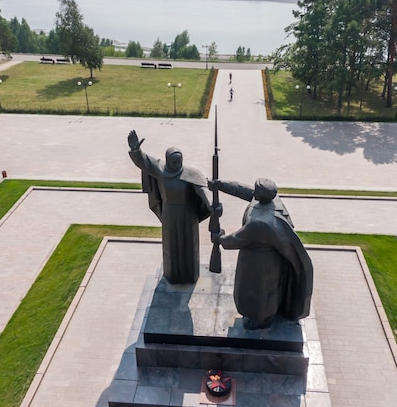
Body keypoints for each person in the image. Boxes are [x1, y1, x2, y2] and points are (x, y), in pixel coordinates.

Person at [211, 178, 313, 329]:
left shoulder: (260, 223)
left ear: (260, 194)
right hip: (268, 260)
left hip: (258, 264)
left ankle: (260, 320)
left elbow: (235, 240)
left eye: (256, 190)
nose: (253, 192)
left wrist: (219, 237)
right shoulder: (273, 202)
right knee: (266, 291)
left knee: (257, 292)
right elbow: (243, 190)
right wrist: (221, 185)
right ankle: (262, 316)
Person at [128, 130, 211, 284]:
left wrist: (210, 204)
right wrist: (135, 150)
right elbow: (144, 162)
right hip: (169, 216)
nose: (178, 164)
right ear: (168, 161)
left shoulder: (191, 173)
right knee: (171, 246)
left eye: (180, 161)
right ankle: (172, 275)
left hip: (188, 215)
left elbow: (201, 189)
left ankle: (189, 275)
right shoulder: (160, 169)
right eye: (175, 162)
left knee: (189, 245)